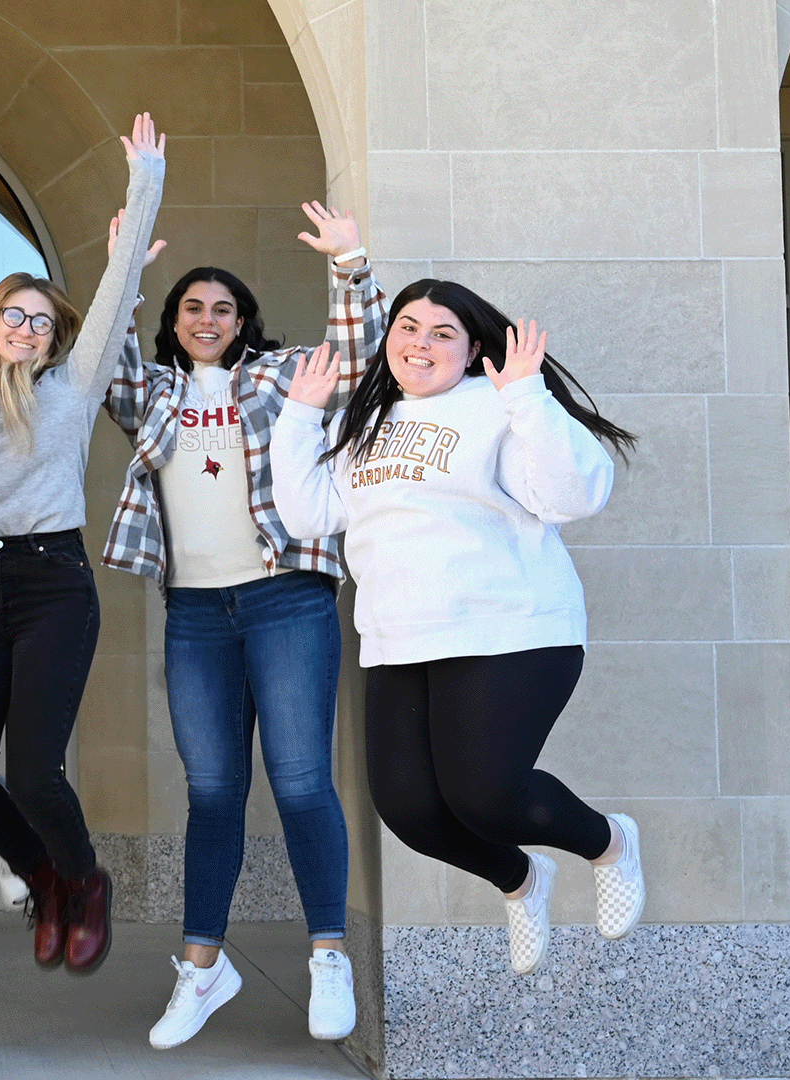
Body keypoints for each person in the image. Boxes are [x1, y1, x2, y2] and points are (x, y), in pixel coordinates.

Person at [271, 280, 645, 980]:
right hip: (400, 640)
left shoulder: (501, 406)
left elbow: (576, 495)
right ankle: (520, 880)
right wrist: (298, 418)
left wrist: (528, 397)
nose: (421, 342)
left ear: (474, 348)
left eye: (443, 332)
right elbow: (307, 516)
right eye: (409, 327)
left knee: (486, 794)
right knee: (410, 811)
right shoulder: (366, 419)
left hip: (511, 632)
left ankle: (609, 843)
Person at [99, 209, 388, 1048]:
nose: (207, 319)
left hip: (285, 597)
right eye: (192, 307)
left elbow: (361, 359)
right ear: (174, 319)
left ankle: (327, 952)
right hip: (195, 612)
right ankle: (201, 966)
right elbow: (103, 362)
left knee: (300, 782)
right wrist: (126, 266)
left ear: (243, 321)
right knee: (213, 790)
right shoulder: (152, 392)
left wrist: (351, 266)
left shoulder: (279, 375)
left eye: (222, 309)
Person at [0, 112, 166, 977]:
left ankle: (83, 882)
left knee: (34, 772)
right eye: (12, 317)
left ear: (56, 337)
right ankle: (43, 877)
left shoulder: (72, 385)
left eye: (40, 322)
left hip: (54, 582)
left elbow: (118, 283)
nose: (26, 330)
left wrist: (145, 181)